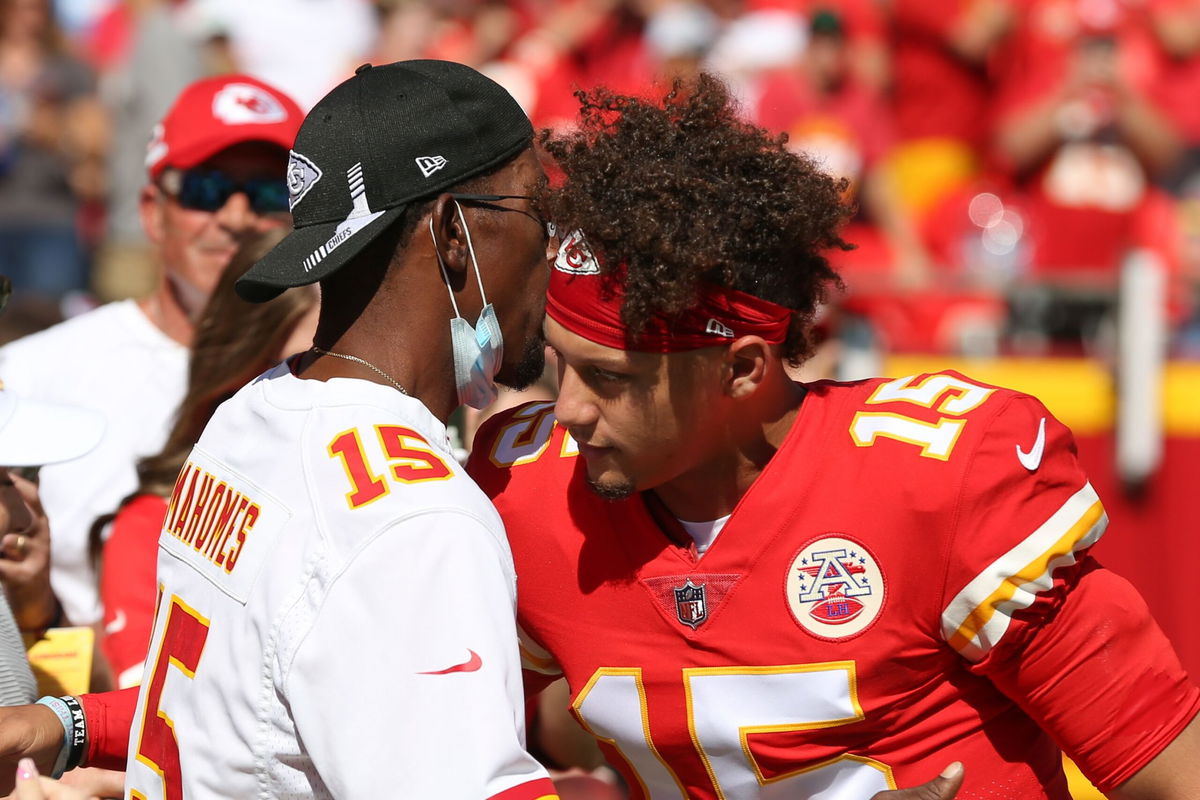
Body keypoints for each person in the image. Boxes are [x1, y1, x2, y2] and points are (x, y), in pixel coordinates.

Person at [0, 62, 964, 800]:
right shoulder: (412, 514)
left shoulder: (250, 414)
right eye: (538, 213)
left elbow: (248, 706)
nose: (557, 249)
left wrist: (67, 725)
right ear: (453, 232)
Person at [463, 76, 1200, 798]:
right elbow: (498, 737)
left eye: (611, 379)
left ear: (743, 370)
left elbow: (1172, 772)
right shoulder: (527, 490)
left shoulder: (938, 483)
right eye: (561, 365)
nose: (568, 413)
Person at [0, 73, 302, 627]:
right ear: (151, 211)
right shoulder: (28, 376)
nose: (235, 219)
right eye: (205, 190)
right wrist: (34, 602)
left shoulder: (338, 379)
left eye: (269, 193)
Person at [95, 229, 317, 689]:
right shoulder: (153, 525)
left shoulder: (414, 493)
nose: (331, 397)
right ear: (235, 373)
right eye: (301, 370)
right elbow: (146, 716)